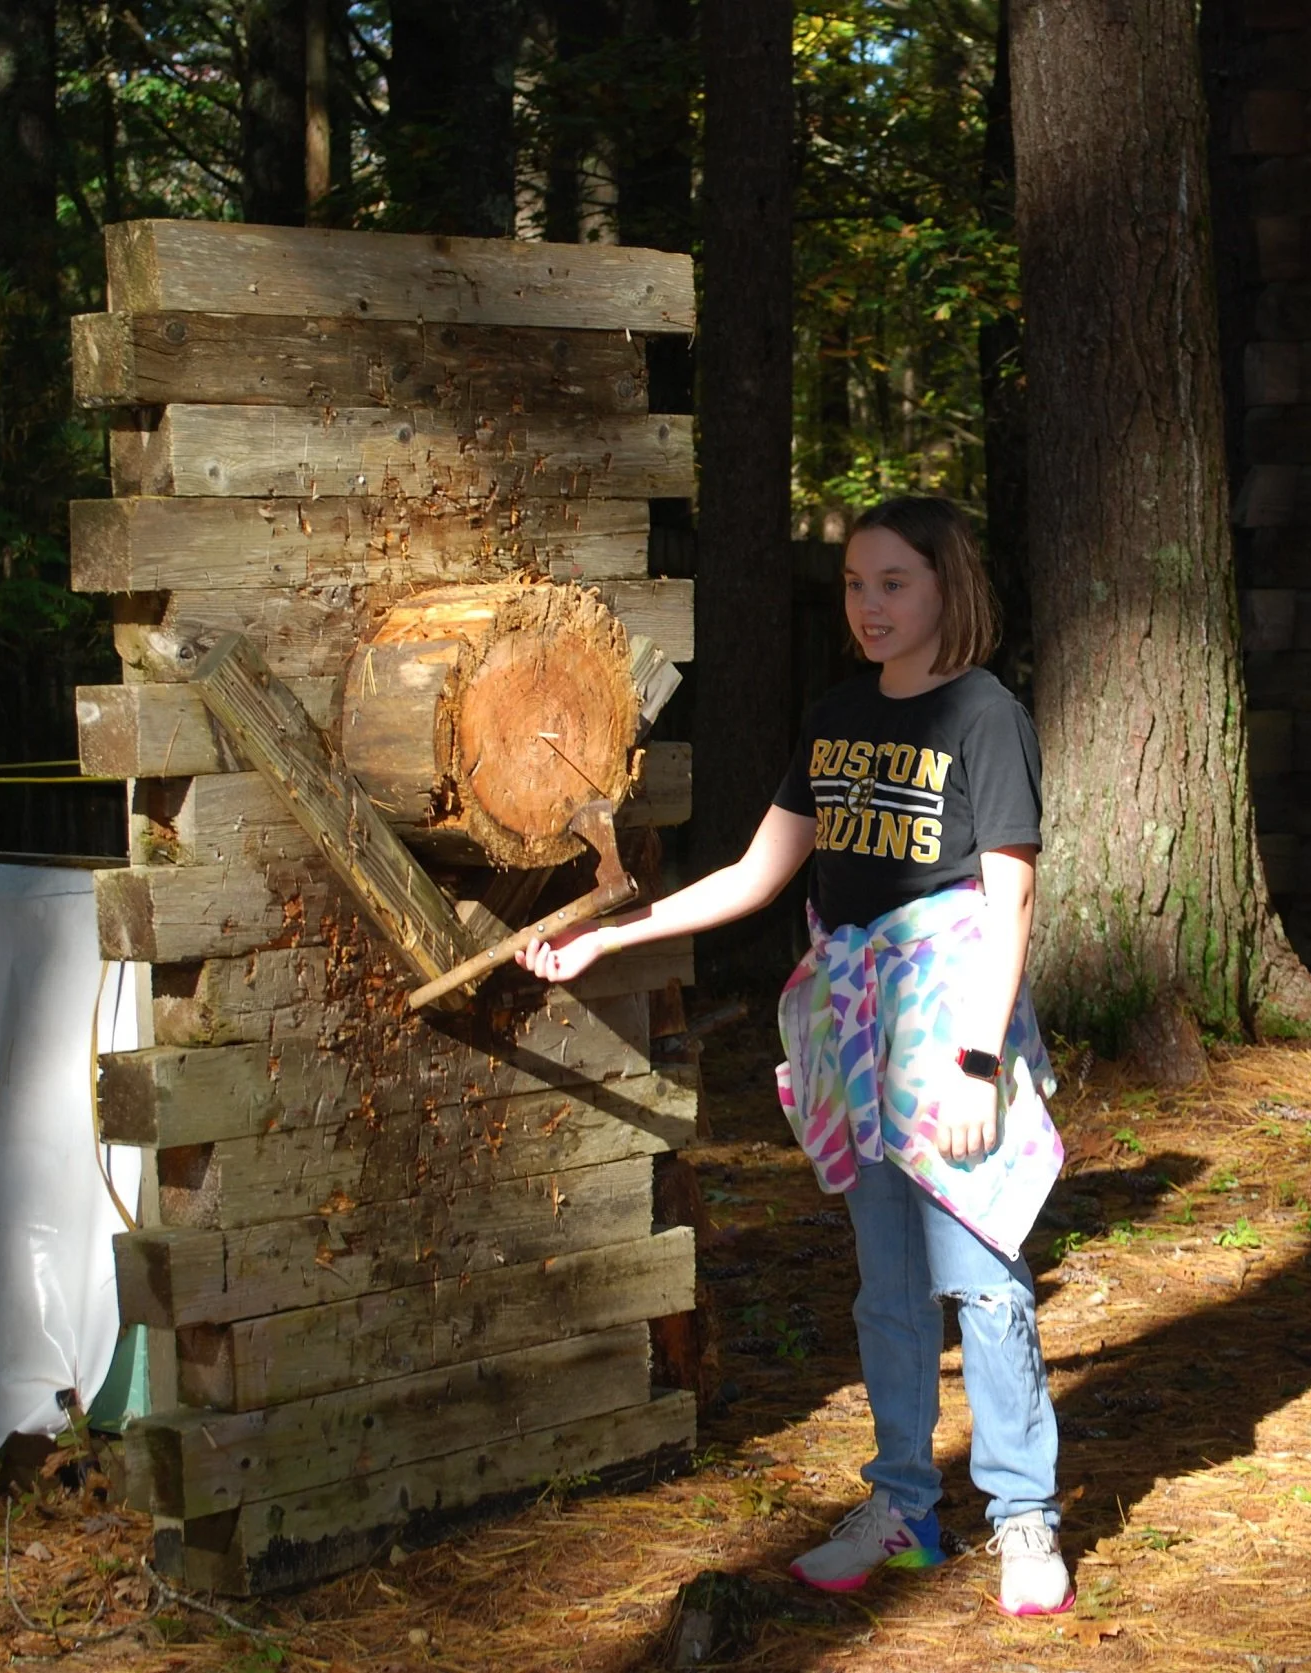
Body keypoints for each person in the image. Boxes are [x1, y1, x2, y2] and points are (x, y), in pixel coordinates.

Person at [518, 496, 1073, 1617]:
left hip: (951, 1024)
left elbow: (1009, 897)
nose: (870, 606)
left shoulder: (985, 714)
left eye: (894, 583)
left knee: (983, 1278)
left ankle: (1023, 1517)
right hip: (857, 1037)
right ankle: (905, 1506)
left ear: (946, 587)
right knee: (888, 1290)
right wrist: (605, 934)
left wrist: (974, 1059)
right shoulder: (833, 717)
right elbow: (754, 876)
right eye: (857, 585)